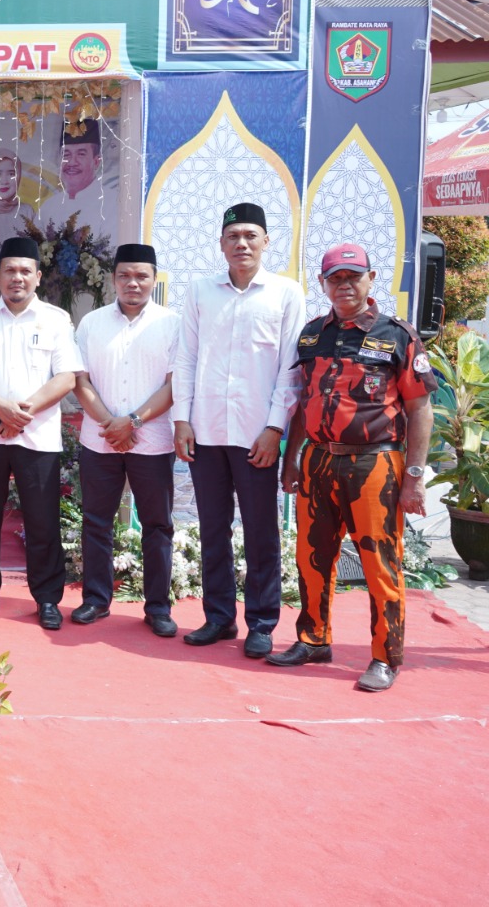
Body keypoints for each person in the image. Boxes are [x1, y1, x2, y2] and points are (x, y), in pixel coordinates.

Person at [269, 243, 435, 691]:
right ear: (323, 283)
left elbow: (420, 409)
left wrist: (414, 477)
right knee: (312, 556)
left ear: (371, 279)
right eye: (335, 278)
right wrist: (291, 460)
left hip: (375, 463)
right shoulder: (311, 335)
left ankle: (385, 657)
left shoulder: (397, 335)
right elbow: (303, 404)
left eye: (352, 277)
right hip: (318, 459)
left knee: (380, 563)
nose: (344, 285)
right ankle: (313, 640)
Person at [172, 202, 304, 659]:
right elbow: (186, 357)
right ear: (221, 243)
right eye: (233, 236)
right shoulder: (201, 291)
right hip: (206, 430)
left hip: (256, 436)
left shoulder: (286, 293)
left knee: (261, 531)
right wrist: (182, 419)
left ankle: (262, 622)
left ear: (266, 241)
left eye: (250, 236)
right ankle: (219, 617)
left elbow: (290, 368)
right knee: (212, 529)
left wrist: (274, 428)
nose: (242, 244)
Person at [0, 235, 84, 630]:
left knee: (43, 520)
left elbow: (66, 377)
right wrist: (1, 408)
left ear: (38, 277)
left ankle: (47, 599)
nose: (17, 277)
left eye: (26, 271)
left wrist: (22, 413)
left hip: (36, 436)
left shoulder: (56, 320)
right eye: (9, 270)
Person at [71, 243, 181, 635]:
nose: (133, 283)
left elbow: (174, 384)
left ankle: (158, 608)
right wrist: (110, 424)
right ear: (113, 279)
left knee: (157, 525)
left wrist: (132, 422)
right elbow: (79, 380)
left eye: (141, 276)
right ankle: (96, 600)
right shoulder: (91, 323)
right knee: (96, 522)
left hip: (152, 442)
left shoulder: (172, 324)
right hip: (99, 439)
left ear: (154, 279)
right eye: (124, 276)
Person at [34, 119, 116, 244]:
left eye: (81, 154)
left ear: (96, 161)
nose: (72, 162)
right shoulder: (48, 207)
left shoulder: (112, 203)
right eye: (66, 155)